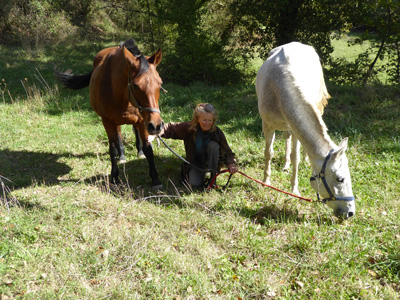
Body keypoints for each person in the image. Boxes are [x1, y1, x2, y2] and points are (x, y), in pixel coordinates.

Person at [159, 103, 238, 189]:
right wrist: (156, 133)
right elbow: (170, 128)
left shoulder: (217, 132)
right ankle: (200, 175)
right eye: (204, 120)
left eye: (210, 120)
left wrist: (231, 164)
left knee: (213, 145)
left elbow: (227, 151)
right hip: (196, 162)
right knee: (194, 183)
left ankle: (212, 180)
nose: (207, 123)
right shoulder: (189, 129)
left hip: (212, 162)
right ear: (198, 119)